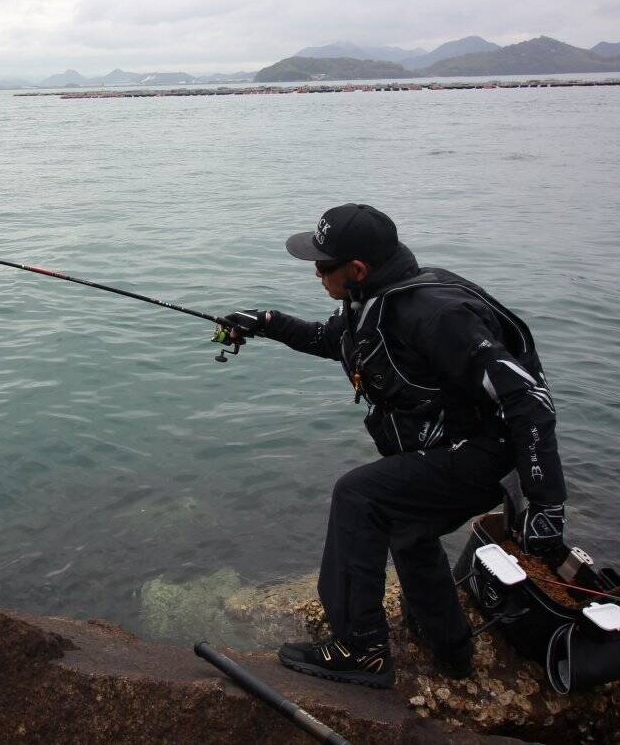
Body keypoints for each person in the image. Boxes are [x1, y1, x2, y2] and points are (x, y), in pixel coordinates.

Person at [221, 203, 568, 690]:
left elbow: (527, 398)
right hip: (454, 446)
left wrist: (546, 504)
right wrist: (265, 321)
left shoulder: (434, 314)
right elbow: (327, 338)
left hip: (483, 454)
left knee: (359, 496)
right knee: (407, 525)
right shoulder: (373, 299)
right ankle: (450, 648)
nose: (317, 275)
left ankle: (360, 648)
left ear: (357, 269)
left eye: (323, 266)